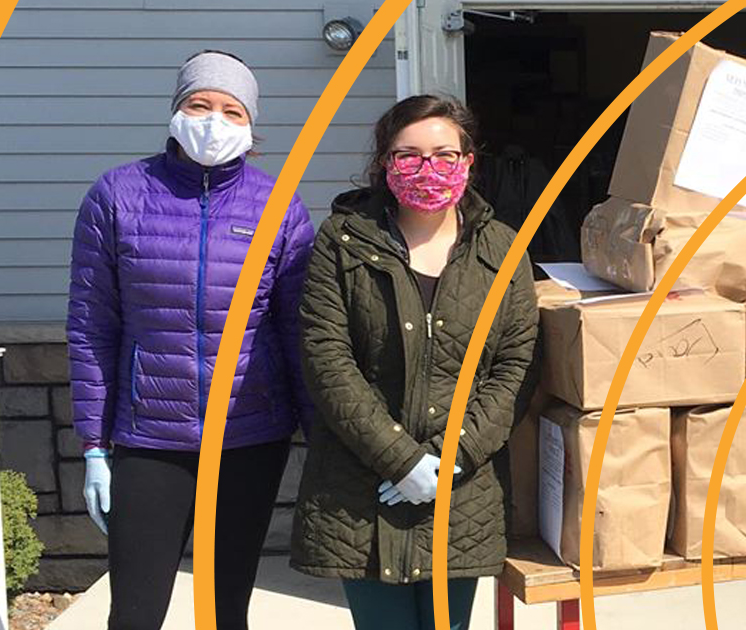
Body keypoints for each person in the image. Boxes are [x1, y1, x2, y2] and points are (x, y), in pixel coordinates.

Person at [66, 50, 315, 630]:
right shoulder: (118, 196)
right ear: (175, 112)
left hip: (249, 434)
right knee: (135, 612)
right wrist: (94, 445)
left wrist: (319, 436)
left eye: (231, 110)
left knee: (225, 608)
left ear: (251, 125)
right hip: (150, 437)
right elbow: (92, 326)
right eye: (199, 105)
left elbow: (298, 330)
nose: (213, 120)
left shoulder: (278, 205)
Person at [291, 95, 539, 630]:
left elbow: (515, 367)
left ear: (469, 161)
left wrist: (453, 457)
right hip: (361, 492)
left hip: (461, 493)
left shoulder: (503, 251)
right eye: (409, 155)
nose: (428, 169)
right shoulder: (343, 242)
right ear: (385, 163)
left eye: (444, 154)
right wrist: (400, 460)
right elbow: (326, 357)